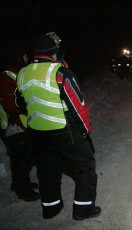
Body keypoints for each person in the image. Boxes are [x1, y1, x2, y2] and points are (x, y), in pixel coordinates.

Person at [15, 34, 101, 220]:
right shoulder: (60, 73)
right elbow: (78, 106)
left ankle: (51, 208)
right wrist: (85, 131)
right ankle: (83, 209)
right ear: (53, 53)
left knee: (47, 170)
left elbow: (19, 103)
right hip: (64, 131)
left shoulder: (22, 74)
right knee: (85, 166)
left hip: (37, 133)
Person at [0, 43, 40, 202]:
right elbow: (12, 104)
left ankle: (22, 184)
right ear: (17, 57)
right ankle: (23, 190)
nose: (26, 58)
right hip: (14, 125)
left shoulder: (18, 73)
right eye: (24, 55)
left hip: (23, 124)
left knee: (27, 157)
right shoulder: (6, 77)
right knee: (21, 160)